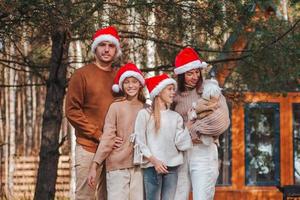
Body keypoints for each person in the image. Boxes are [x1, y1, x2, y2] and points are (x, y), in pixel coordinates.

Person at [65, 26, 122, 200]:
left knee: (111, 196)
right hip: (88, 147)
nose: (106, 49)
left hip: (115, 149)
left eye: (111, 46)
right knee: (85, 196)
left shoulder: (121, 77)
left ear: (116, 50)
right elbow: (72, 111)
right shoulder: (82, 75)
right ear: (95, 48)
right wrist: (98, 135)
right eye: (102, 45)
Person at [173, 47, 230, 200]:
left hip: (203, 150)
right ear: (181, 74)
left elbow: (222, 121)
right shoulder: (174, 96)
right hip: (180, 153)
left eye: (197, 72)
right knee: (177, 196)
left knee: (202, 196)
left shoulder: (210, 89)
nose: (194, 77)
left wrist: (193, 129)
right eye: (189, 73)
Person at [87, 63, 146, 200]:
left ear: (140, 84)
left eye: (134, 82)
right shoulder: (116, 107)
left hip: (139, 166)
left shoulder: (146, 108)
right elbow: (107, 137)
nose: (131, 86)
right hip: (117, 166)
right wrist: (94, 166)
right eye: (127, 82)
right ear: (122, 85)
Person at [134, 74, 192, 200]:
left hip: (172, 168)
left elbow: (181, 144)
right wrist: (154, 161)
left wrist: (189, 126)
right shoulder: (144, 115)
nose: (173, 92)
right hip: (152, 167)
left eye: (173, 89)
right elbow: (140, 141)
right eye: (169, 89)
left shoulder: (175, 116)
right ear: (159, 92)